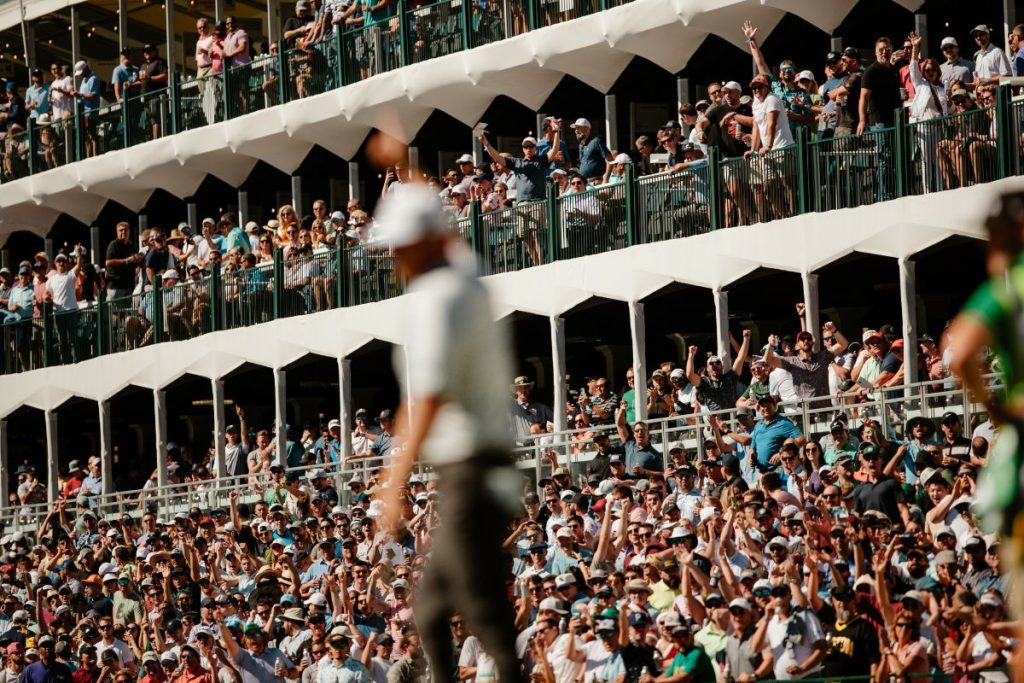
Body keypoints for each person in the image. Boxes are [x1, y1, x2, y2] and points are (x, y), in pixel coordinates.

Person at [376, 183, 520, 683]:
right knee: (433, 608)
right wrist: (406, 172)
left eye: (402, 244)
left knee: (478, 607)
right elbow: (454, 243)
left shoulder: (436, 297)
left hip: (469, 468)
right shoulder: (466, 278)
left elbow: (428, 397)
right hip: (485, 464)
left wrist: (392, 483)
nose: (395, 256)